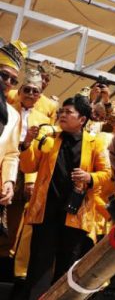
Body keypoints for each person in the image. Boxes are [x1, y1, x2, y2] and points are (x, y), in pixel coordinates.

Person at [20, 95, 112, 299]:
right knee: (38, 269)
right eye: (61, 111)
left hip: (75, 215)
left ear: (82, 119)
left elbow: (107, 174)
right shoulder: (50, 137)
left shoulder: (95, 142)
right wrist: (27, 144)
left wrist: (89, 177)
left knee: (66, 270)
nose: (62, 115)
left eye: (68, 112)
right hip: (45, 214)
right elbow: (28, 166)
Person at [10, 68, 52, 282]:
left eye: (35, 91)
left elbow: (43, 153)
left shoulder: (44, 118)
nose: (31, 94)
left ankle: (6, 262)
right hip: (4, 164)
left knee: (16, 217)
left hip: (26, 171)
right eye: (27, 89)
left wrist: (30, 180)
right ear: (19, 91)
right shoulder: (8, 109)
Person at [0, 39, 22, 281]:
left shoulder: (13, 116)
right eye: (3, 76)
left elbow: (11, 153)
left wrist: (8, 182)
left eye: (13, 80)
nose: (7, 83)